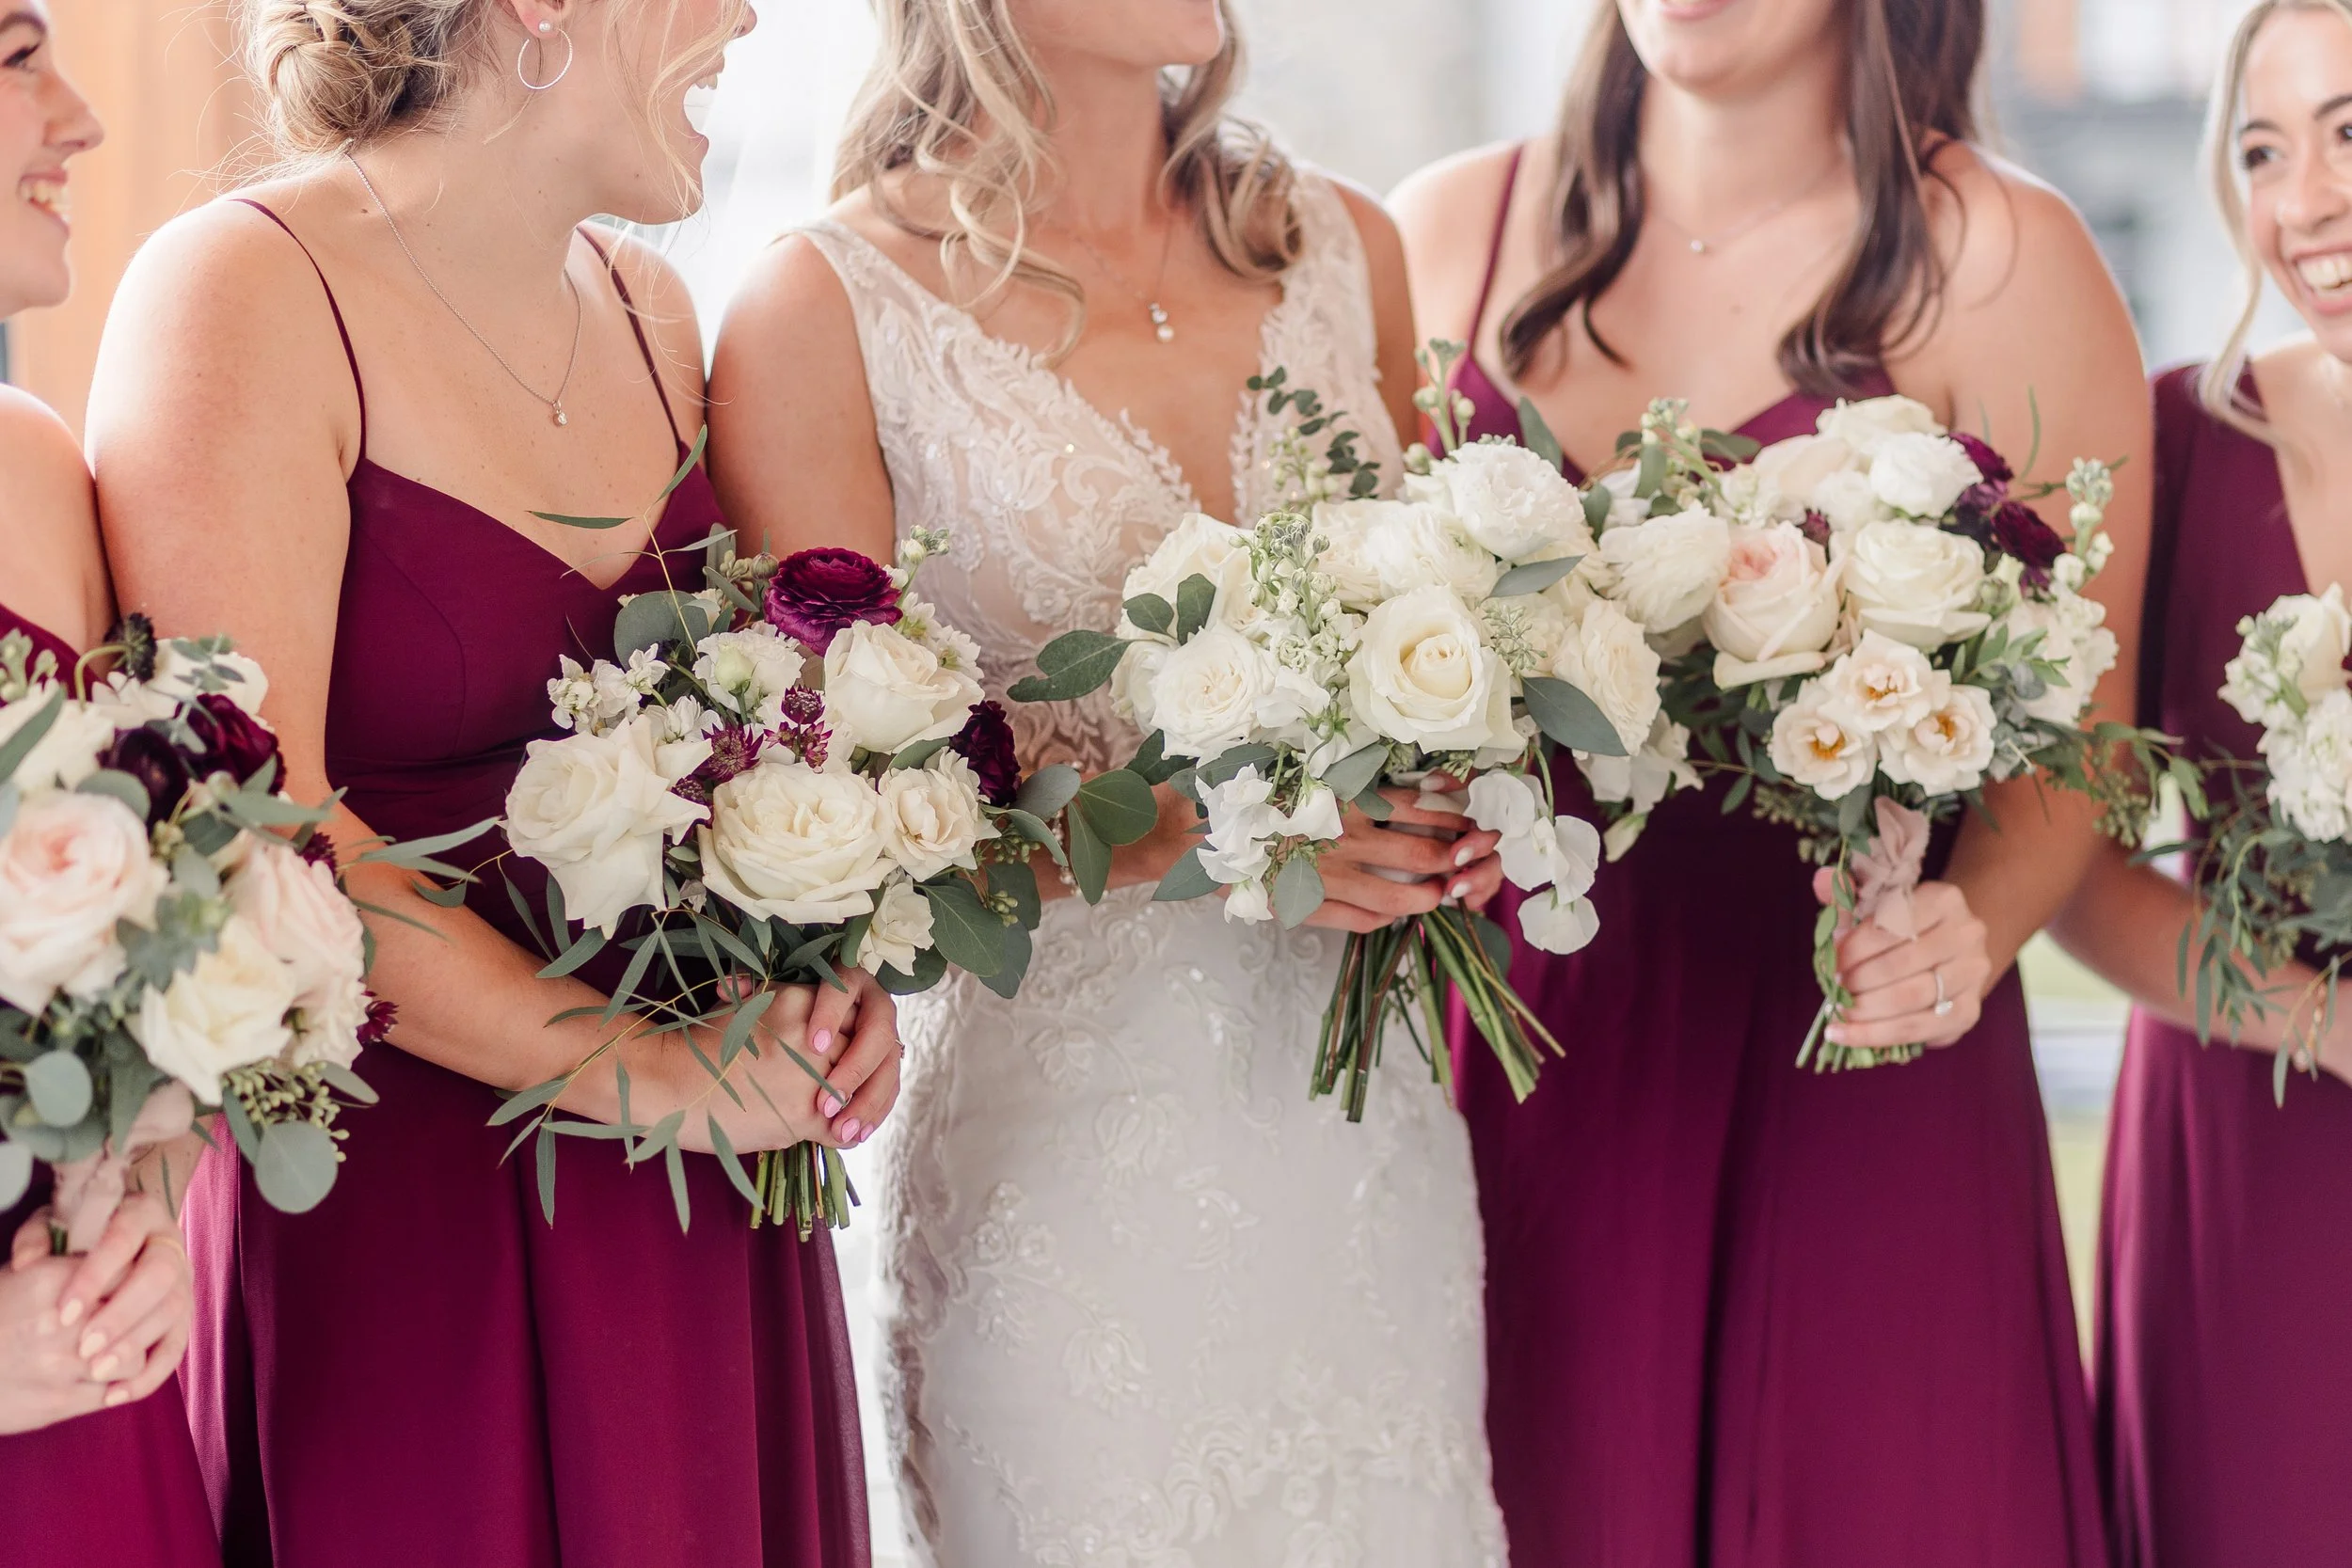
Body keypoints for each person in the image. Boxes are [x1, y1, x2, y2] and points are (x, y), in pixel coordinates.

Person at [707, 0, 1510, 1560]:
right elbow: (849, 855)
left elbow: (1439, 641)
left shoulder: (1340, 247)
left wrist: (1455, 794)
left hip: (1370, 1165)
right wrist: (1210, 832)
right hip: (1072, 1200)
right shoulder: (824, 311)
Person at [86, 2, 887, 1561]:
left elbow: (742, 745)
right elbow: (258, 827)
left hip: (702, 1204)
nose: (745, 16)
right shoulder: (241, 290)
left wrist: (827, 980)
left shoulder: (654, 310)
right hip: (405, 1217)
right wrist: (652, 1076)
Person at [1392, 1, 2148, 1562]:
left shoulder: (2003, 256)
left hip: (1858, 1069)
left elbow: (2087, 734)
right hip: (1521, 1078)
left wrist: (1967, 930)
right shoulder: (1442, 233)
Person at [2053, 4, 2352, 1561]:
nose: (2305, 204)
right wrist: (2322, 1019)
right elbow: (2066, 863)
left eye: (2350, 135)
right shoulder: (2178, 444)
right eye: (2262, 151)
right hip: (2254, 1148)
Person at [0, 7, 216, 1561]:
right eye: (18, 57)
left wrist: (143, 1183)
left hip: (89, 1389)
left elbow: (147, 951)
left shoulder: (30, 473)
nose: (78, 118)